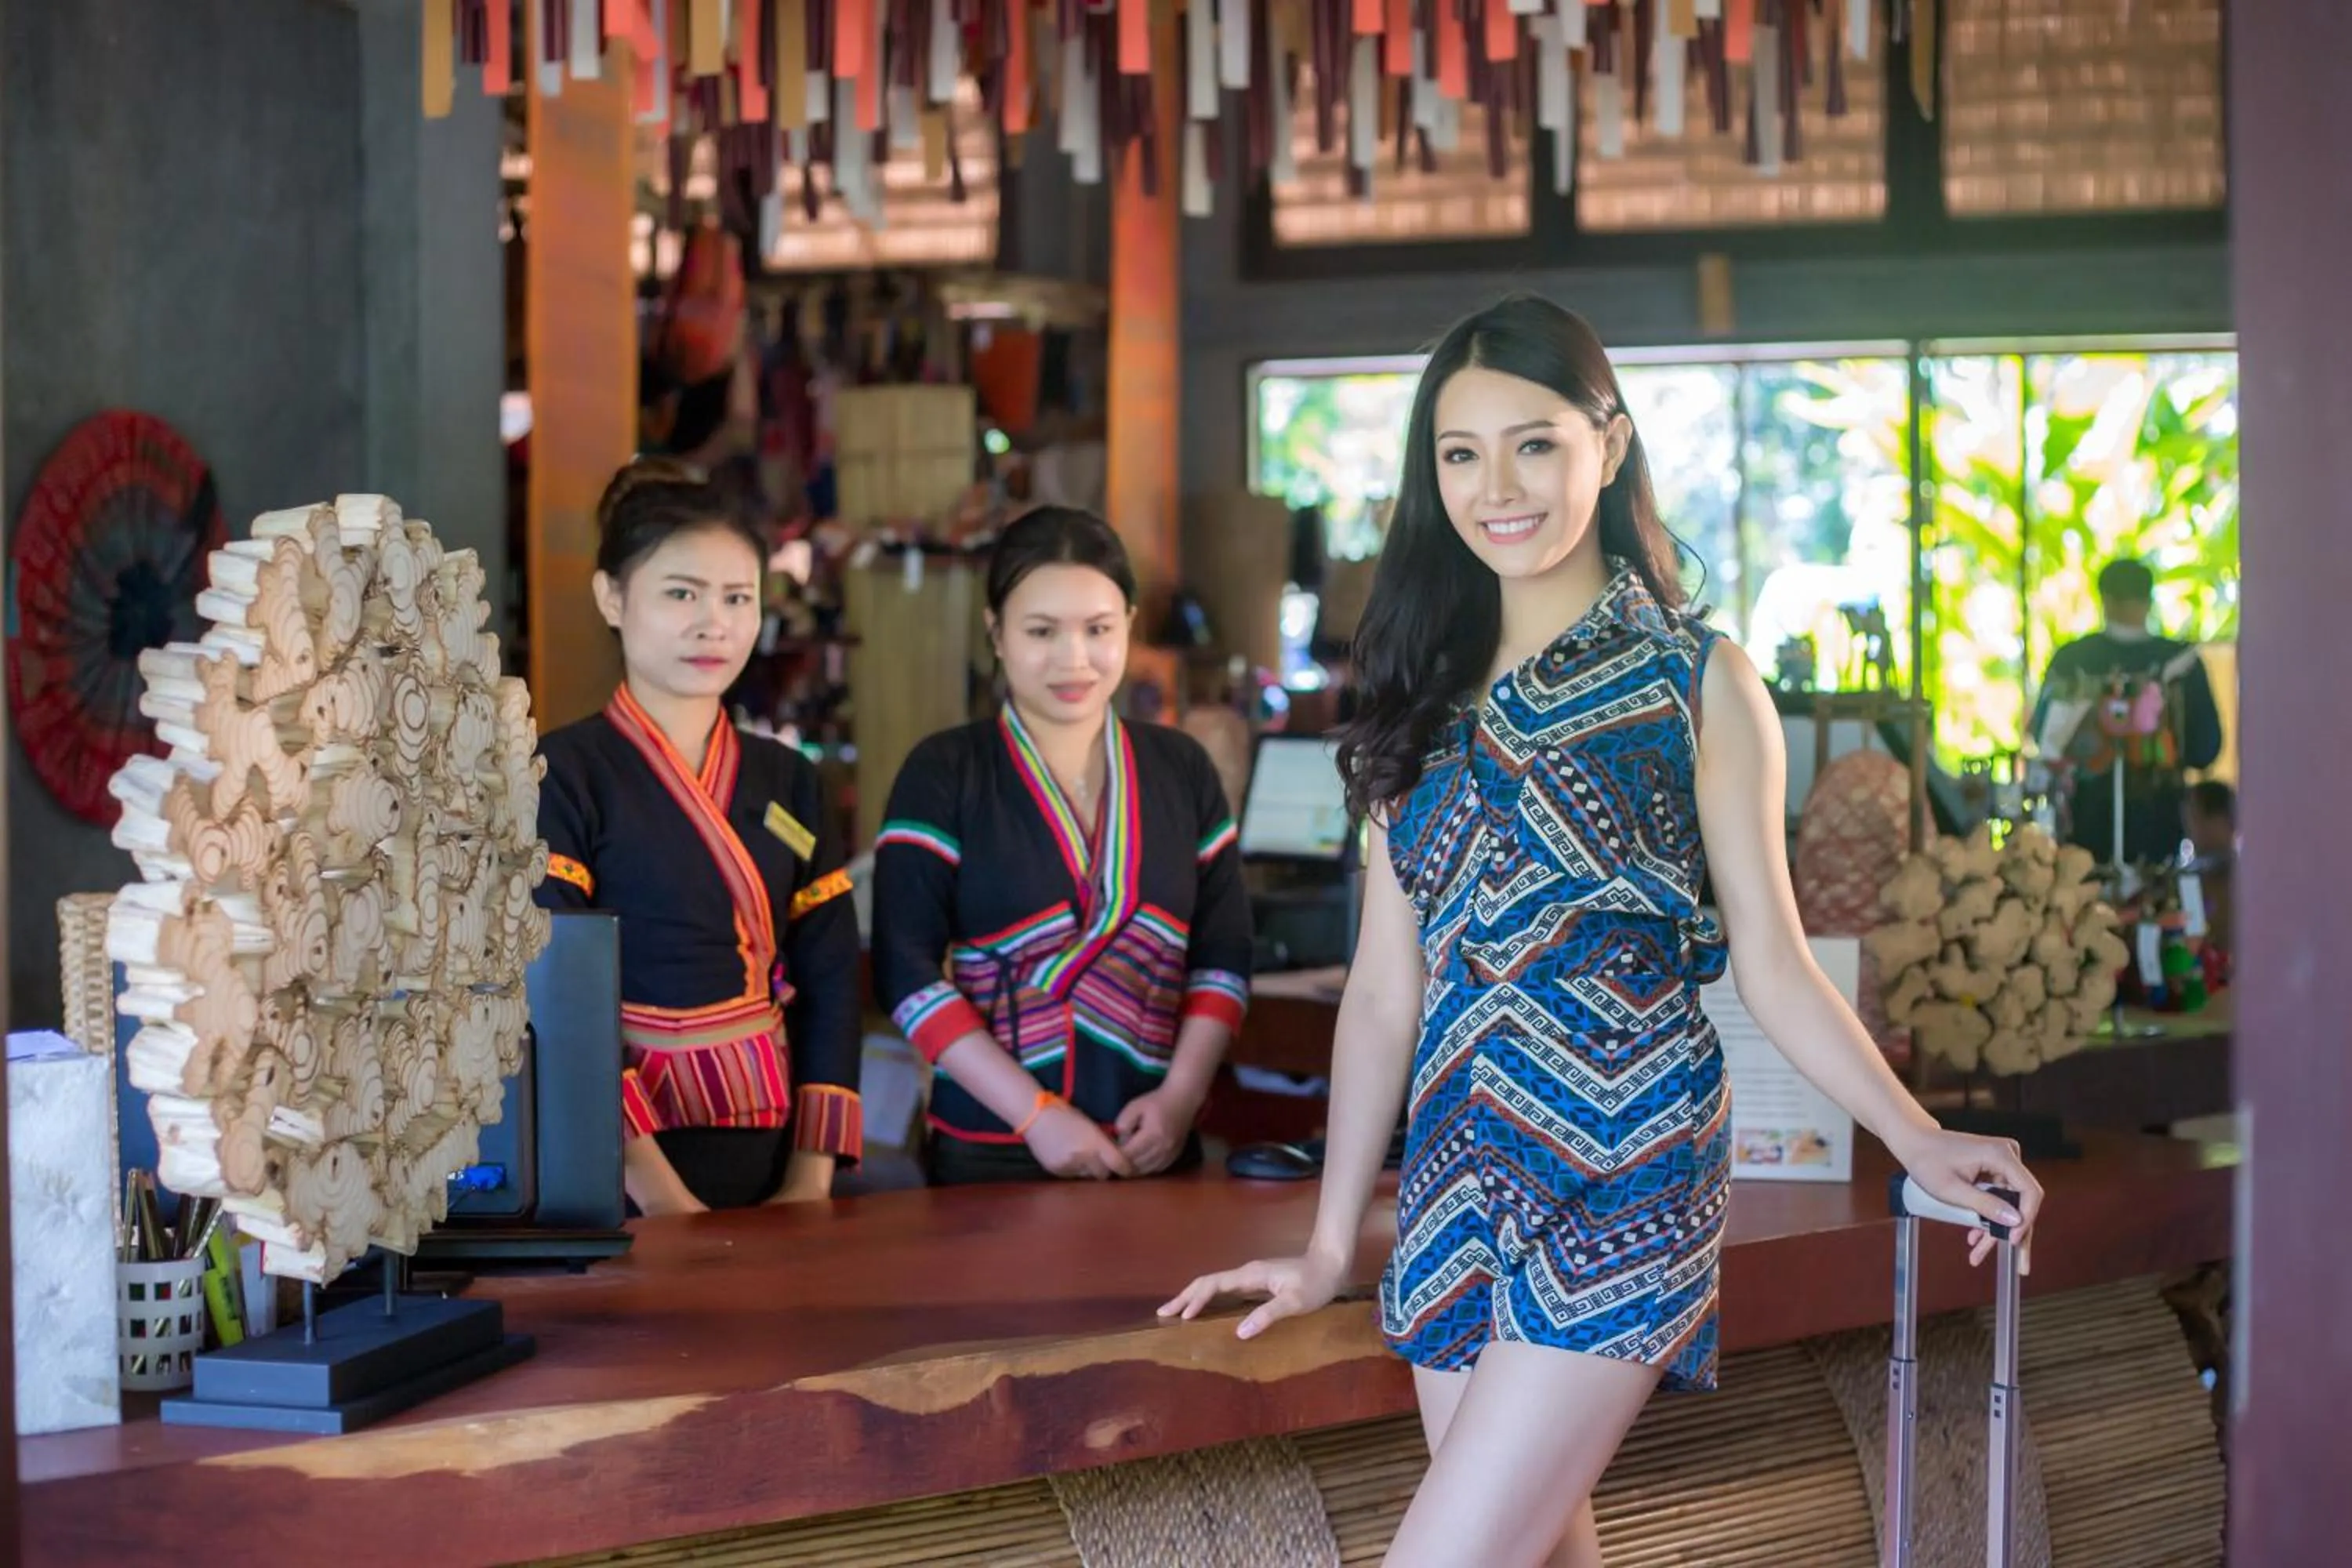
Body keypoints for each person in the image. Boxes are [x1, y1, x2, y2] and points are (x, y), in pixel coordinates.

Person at [1160, 296, 2043, 1568]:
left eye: (1535, 443)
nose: (1496, 487)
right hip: (1457, 1181)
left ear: (1610, 444)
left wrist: (1916, 1136)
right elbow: (1384, 999)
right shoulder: (1418, 700)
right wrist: (1322, 1247)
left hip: (1631, 1169)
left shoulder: (1700, 680)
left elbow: (1774, 959)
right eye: (1460, 454)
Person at [869, 507, 1253, 1186]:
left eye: (1098, 630)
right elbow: (906, 971)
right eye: (1041, 632)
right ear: (996, 633)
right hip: (990, 1151)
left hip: (1156, 1146)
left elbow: (1222, 959)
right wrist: (1036, 1115)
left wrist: (1181, 1100)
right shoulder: (944, 772)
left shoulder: (1182, 769)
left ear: (1129, 624)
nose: (1073, 659)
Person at [535, 459, 863, 1214]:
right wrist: (664, 1202)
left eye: (737, 598)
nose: (713, 623)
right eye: (680, 594)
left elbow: (832, 977)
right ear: (611, 598)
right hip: (617, 1167)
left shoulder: (790, 779)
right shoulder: (563, 772)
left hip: (773, 1153)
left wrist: (809, 1180)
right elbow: (562, 994)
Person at [2030, 557, 2223, 864]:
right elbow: (2205, 749)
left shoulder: (2072, 661)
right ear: (2149, 601)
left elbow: (2044, 737)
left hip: (2086, 830)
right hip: (2162, 829)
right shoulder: (2182, 664)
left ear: (2104, 599)